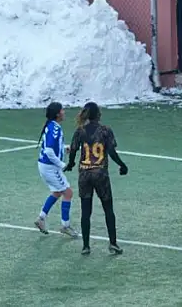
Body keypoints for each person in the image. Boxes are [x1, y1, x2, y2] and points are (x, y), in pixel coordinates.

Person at [64, 102, 128, 255]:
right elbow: (111, 151)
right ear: (98, 114)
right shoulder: (105, 130)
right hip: (100, 174)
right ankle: (113, 243)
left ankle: (86, 246)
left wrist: (71, 164)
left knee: (86, 211)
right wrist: (122, 165)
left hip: (84, 175)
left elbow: (73, 150)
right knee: (108, 209)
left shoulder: (80, 131)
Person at [34, 102, 78, 238]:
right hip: (50, 167)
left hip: (45, 166)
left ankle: (41, 218)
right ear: (58, 114)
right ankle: (65, 226)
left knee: (57, 192)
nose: (64, 112)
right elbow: (48, 151)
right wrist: (62, 164)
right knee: (68, 193)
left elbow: (50, 146)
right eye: (62, 110)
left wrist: (64, 149)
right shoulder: (55, 128)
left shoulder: (51, 126)